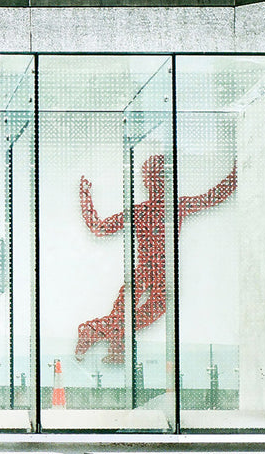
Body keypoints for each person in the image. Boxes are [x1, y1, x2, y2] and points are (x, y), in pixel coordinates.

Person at [75, 154, 236, 363]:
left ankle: (105, 341)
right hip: (160, 273)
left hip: (148, 272)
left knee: (125, 313)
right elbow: (212, 197)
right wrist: (235, 175)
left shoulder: (146, 211)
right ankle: (100, 338)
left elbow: (98, 227)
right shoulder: (172, 207)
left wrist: (85, 196)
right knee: (132, 313)